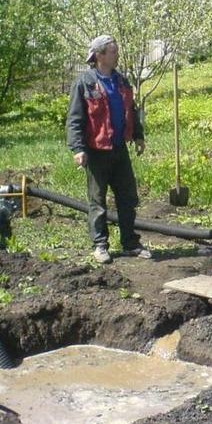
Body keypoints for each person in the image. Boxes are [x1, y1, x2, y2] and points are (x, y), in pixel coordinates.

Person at [66, 35, 151, 264]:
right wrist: (78, 148)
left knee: (128, 198)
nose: (117, 55)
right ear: (100, 55)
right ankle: (100, 245)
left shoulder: (121, 81)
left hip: (119, 149)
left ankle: (130, 243)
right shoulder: (84, 83)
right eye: (113, 51)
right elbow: (75, 119)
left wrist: (138, 135)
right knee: (98, 201)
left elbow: (131, 111)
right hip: (96, 151)